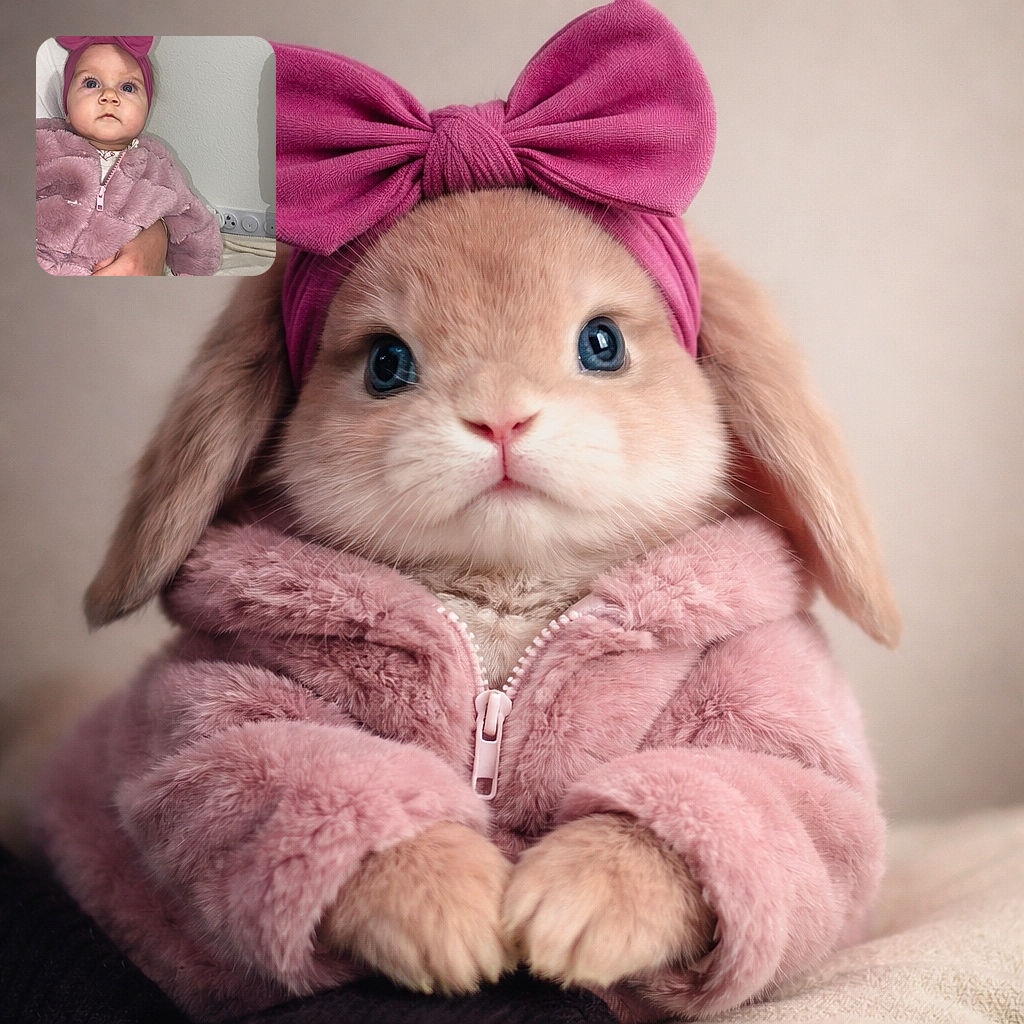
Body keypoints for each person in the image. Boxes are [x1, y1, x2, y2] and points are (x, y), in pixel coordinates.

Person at [36, 36, 221, 276]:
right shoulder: (45, 145)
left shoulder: (157, 167)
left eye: (127, 87)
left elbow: (193, 222)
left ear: (146, 109)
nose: (110, 96)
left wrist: (194, 272)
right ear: (67, 110)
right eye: (91, 83)